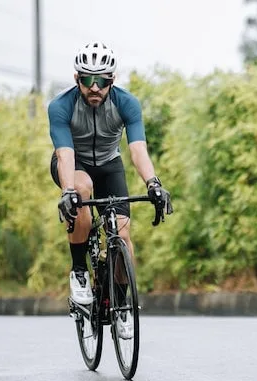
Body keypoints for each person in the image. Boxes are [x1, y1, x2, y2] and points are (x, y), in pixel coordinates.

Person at [49, 41, 173, 339]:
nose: (95, 88)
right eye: (88, 80)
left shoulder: (126, 103)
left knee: (123, 233)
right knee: (83, 189)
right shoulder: (60, 106)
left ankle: (120, 305)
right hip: (73, 165)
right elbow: (65, 153)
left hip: (109, 164)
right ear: (77, 79)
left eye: (102, 80)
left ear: (112, 80)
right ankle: (79, 271)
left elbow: (138, 149)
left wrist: (153, 183)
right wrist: (68, 191)